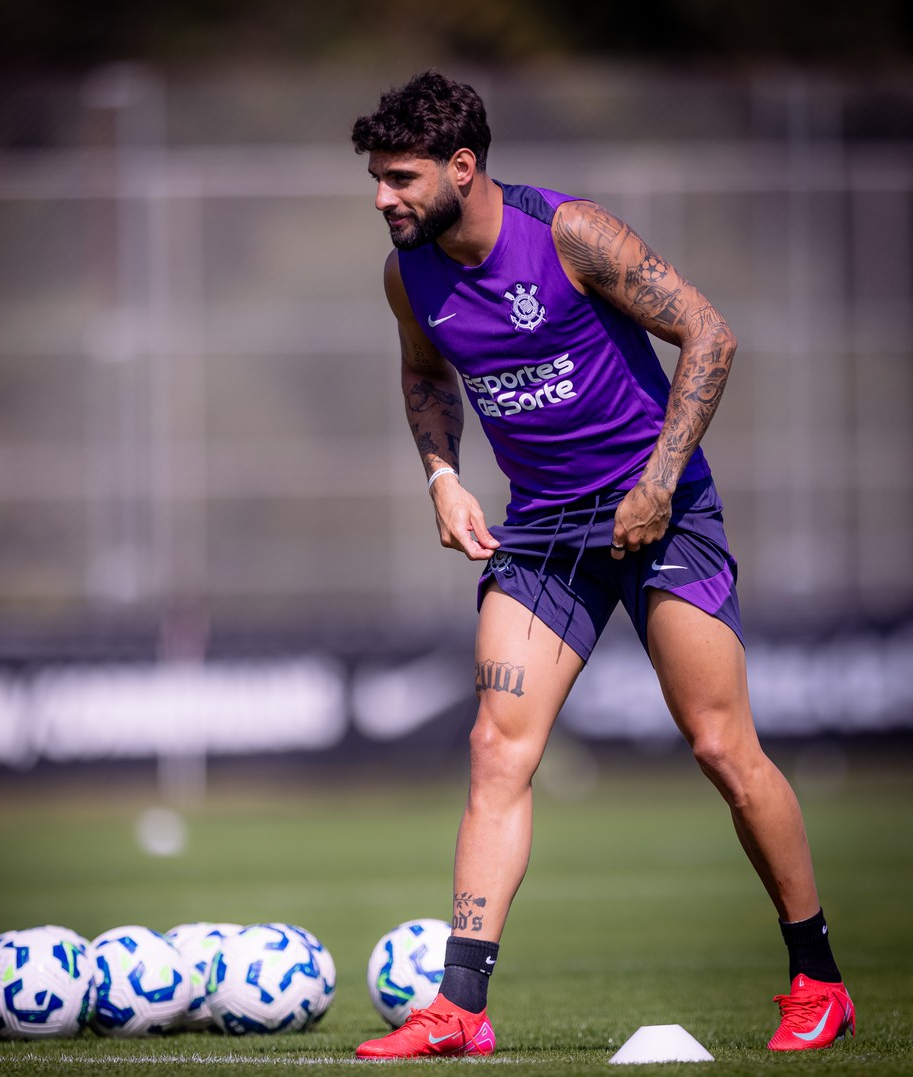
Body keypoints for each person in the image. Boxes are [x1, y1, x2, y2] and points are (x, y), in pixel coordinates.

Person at [349, 70, 853, 1059]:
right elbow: (422, 374)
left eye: (400, 178)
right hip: (540, 534)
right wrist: (443, 476)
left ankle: (817, 978)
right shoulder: (407, 275)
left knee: (722, 750)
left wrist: (661, 480)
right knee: (498, 748)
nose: (382, 198)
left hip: (661, 515)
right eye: (375, 179)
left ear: (463, 167)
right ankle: (460, 1009)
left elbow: (710, 332)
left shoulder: (570, 236)